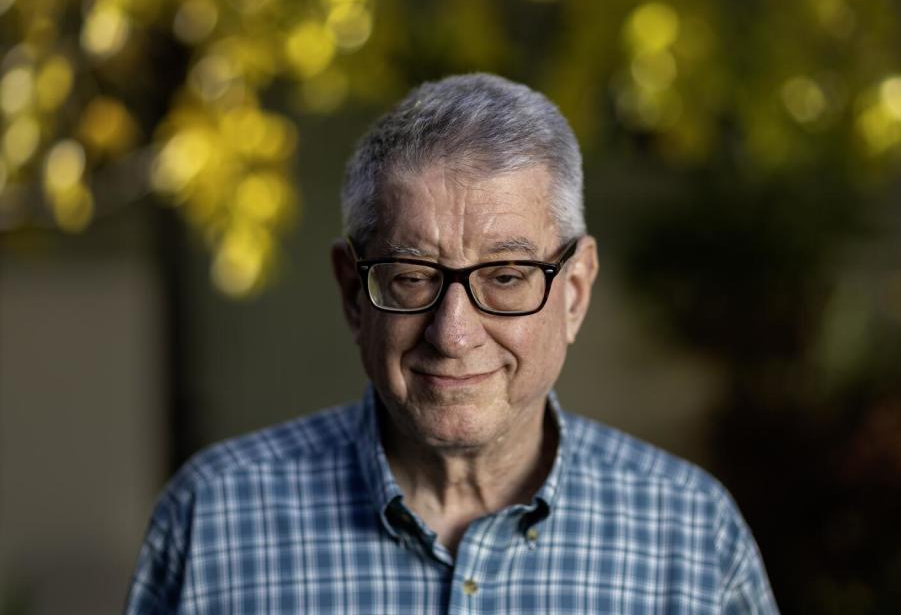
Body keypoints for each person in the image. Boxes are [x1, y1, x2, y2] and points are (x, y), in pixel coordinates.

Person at [126, 73, 778, 614]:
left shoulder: (693, 537)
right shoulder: (213, 521)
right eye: (411, 278)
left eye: (505, 276)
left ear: (574, 291)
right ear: (354, 293)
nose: (453, 334)